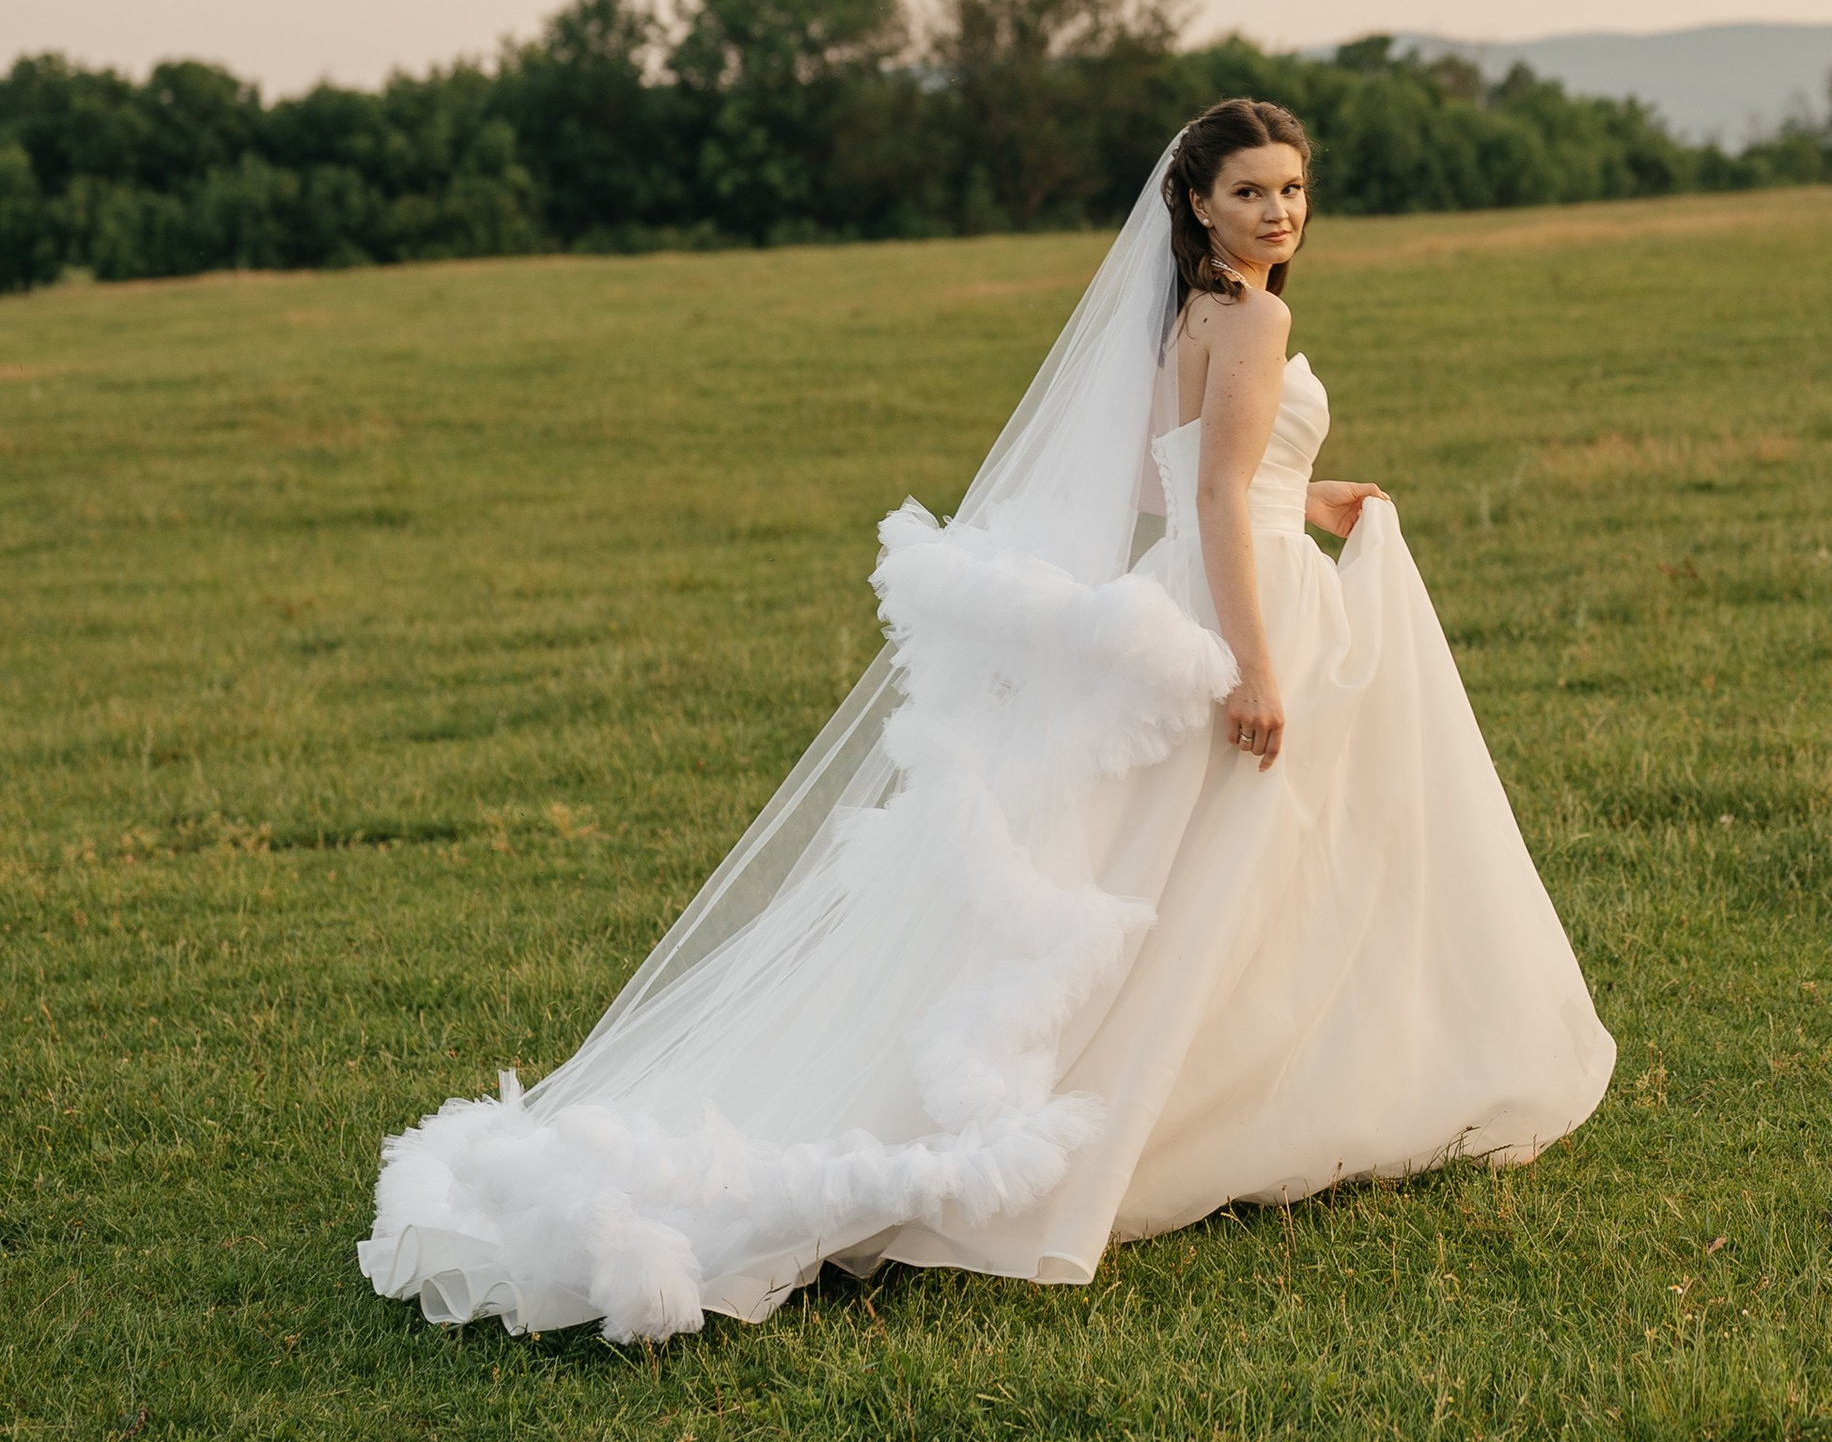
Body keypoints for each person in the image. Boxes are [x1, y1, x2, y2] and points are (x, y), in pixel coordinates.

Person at [359, 99, 1615, 1338]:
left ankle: (1241, 1085)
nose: (1277, 210)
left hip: (1193, 583)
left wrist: (1304, 486)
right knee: (1224, 859)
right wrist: (1254, 665)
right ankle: (1210, 1101)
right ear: (1196, 200)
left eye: (1290, 188)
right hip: (1245, 602)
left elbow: (1169, 476)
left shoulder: (1193, 306)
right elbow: (1215, 496)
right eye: (1248, 190)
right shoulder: (1258, 313)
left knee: (1188, 863)